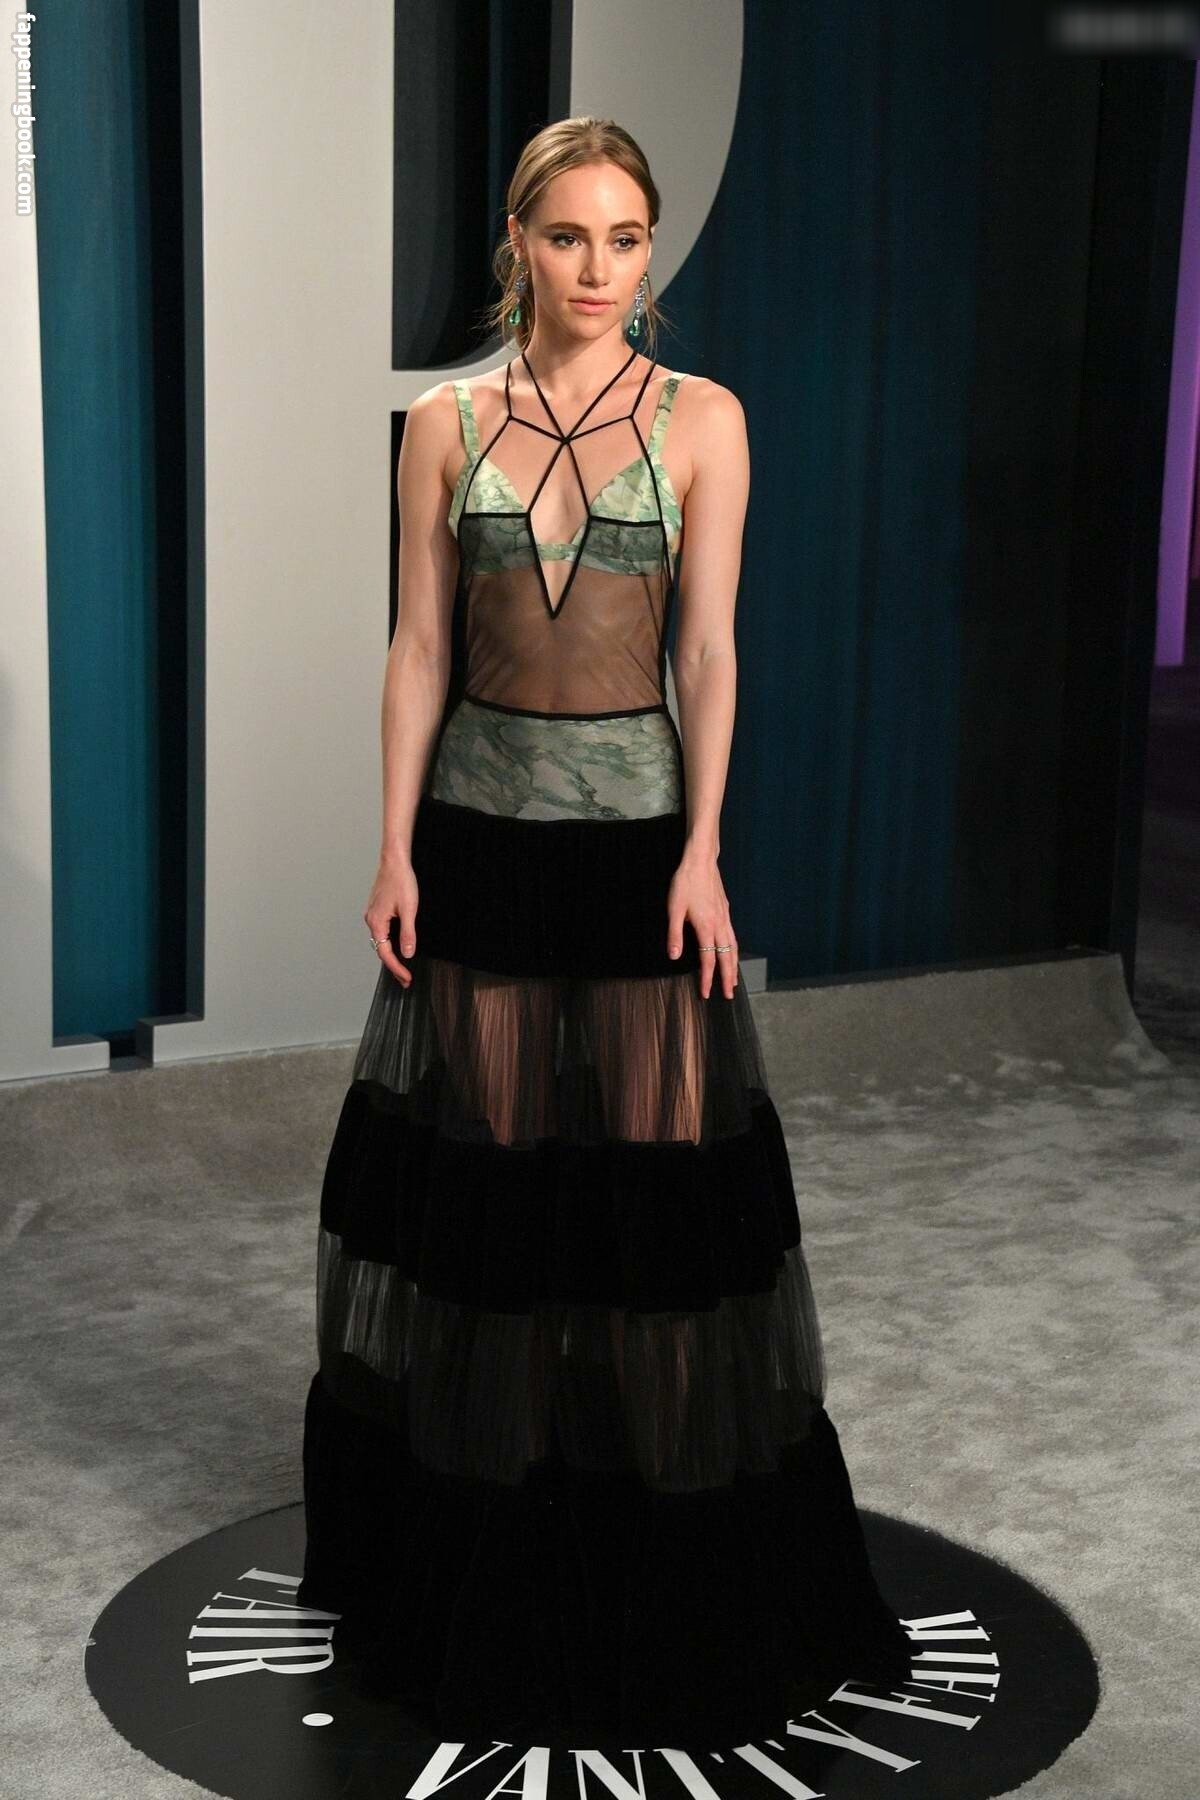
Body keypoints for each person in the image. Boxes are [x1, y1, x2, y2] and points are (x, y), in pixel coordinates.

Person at [296, 114, 911, 1746]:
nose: (598, 269)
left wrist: (705, 853)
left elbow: (707, 653)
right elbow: (418, 649)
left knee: (654, 1202)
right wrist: (392, 849)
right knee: (494, 1200)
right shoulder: (445, 425)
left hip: (641, 854)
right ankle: (492, 1540)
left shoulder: (705, 419)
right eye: (568, 236)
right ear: (519, 240)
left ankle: (654, 1542)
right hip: (478, 850)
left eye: (624, 238)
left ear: (649, 250)